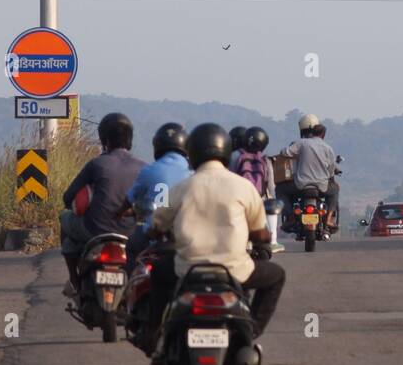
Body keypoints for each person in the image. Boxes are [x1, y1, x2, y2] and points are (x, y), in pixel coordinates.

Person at [148, 123, 286, 344]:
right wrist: (261, 240)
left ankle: (156, 333)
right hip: (235, 271)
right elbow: (261, 234)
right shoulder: (244, 187)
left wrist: (157, 233)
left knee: (157, 274)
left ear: (191, 153)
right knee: (276, 275)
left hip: (187, 270)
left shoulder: (182, 187)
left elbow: (156, 226)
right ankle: (251, 331)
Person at [60, 112, 147, 297]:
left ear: (104, 139)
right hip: (129, 233)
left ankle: (74, 281)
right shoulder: (143, 167)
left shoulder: (96, 164)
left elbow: (68, 198)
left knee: (64, 221)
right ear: (129, 138)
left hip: (95, 230)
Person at [123, 122, 193, 271]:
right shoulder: (192, 173)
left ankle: (128, 289)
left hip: (154, 235)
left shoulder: (149, 171)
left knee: (130, 247)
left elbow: (130, 200)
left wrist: (118, 213)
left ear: (157, 145)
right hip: (186, 235)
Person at [277, 114, 339, 233]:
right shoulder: (328, 148)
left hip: (301, 185)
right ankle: (330, 218)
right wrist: (331, 178)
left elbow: (285, 152)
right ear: (322, 134)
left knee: (280, 189)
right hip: (321, 186)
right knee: (335, 189)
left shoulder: (301, 143)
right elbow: (331, 169)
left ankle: (290, 217)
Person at [230, 126, 283, 252]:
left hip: (239, 197)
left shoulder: (235, 156)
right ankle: (273, 240)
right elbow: (270, 185)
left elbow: (229, 176)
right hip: (258, 197)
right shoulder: (264, 159)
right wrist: (270, 198)